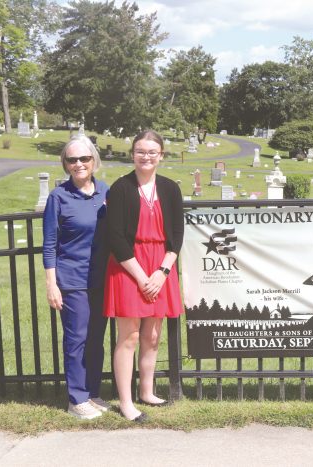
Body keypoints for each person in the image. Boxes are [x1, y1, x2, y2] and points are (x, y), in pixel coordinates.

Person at [104, 129, 184, 422]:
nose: (146, 157)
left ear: (161, 155)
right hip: (129, 266)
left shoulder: (170, 188)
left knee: (152, 336)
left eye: (152, 152)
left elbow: (177, 234)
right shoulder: (121, 188)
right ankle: (126, 402)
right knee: (130, 336)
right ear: (133, 154)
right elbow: (115, 238)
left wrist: (162, 272)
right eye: (140, 151)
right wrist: (141, 277)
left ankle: (146, 391)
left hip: (161, 265)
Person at [43, 135, 110, 419]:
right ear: (65, 164)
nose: (79, 164)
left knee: (97, 338)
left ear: (94, 160)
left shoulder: (105, 192)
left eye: (84, 158)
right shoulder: (58, 197)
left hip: (102, 279)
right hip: (71, 281)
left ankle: (92, 393)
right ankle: (77, 399)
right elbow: (49, 244)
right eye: (72, 160)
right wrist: (51, 285)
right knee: (77, 339)